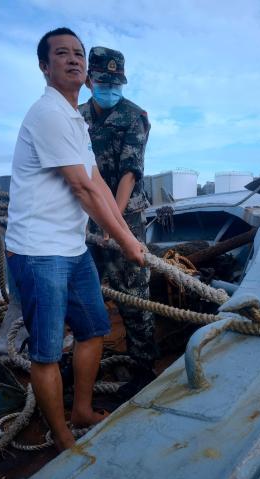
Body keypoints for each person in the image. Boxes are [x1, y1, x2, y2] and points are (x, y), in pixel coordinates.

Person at [5, 28, 145, 452]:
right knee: (46, 353)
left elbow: (98, 180)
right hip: (38, 251)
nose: (73, 59)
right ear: (44, 67)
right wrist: (125, 241)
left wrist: (117, 229)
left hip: (71, 246)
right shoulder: (48, 113)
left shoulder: (73, 118)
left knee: (94, 329)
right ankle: (63, 437)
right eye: (61, 54)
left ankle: (81, 410)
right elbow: (82, 190)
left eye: (79, 54)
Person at [79, 47, 158, 399]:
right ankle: (86, 366)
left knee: (134, 294)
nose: (109, 88)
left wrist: (114, 225)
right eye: (102, 81)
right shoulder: (75, 117)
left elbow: (129, 173)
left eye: (115, 82)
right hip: (83, 219)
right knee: (84, 291)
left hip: (125, 218)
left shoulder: (133, 117)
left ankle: (143, 369)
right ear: (88, 80)